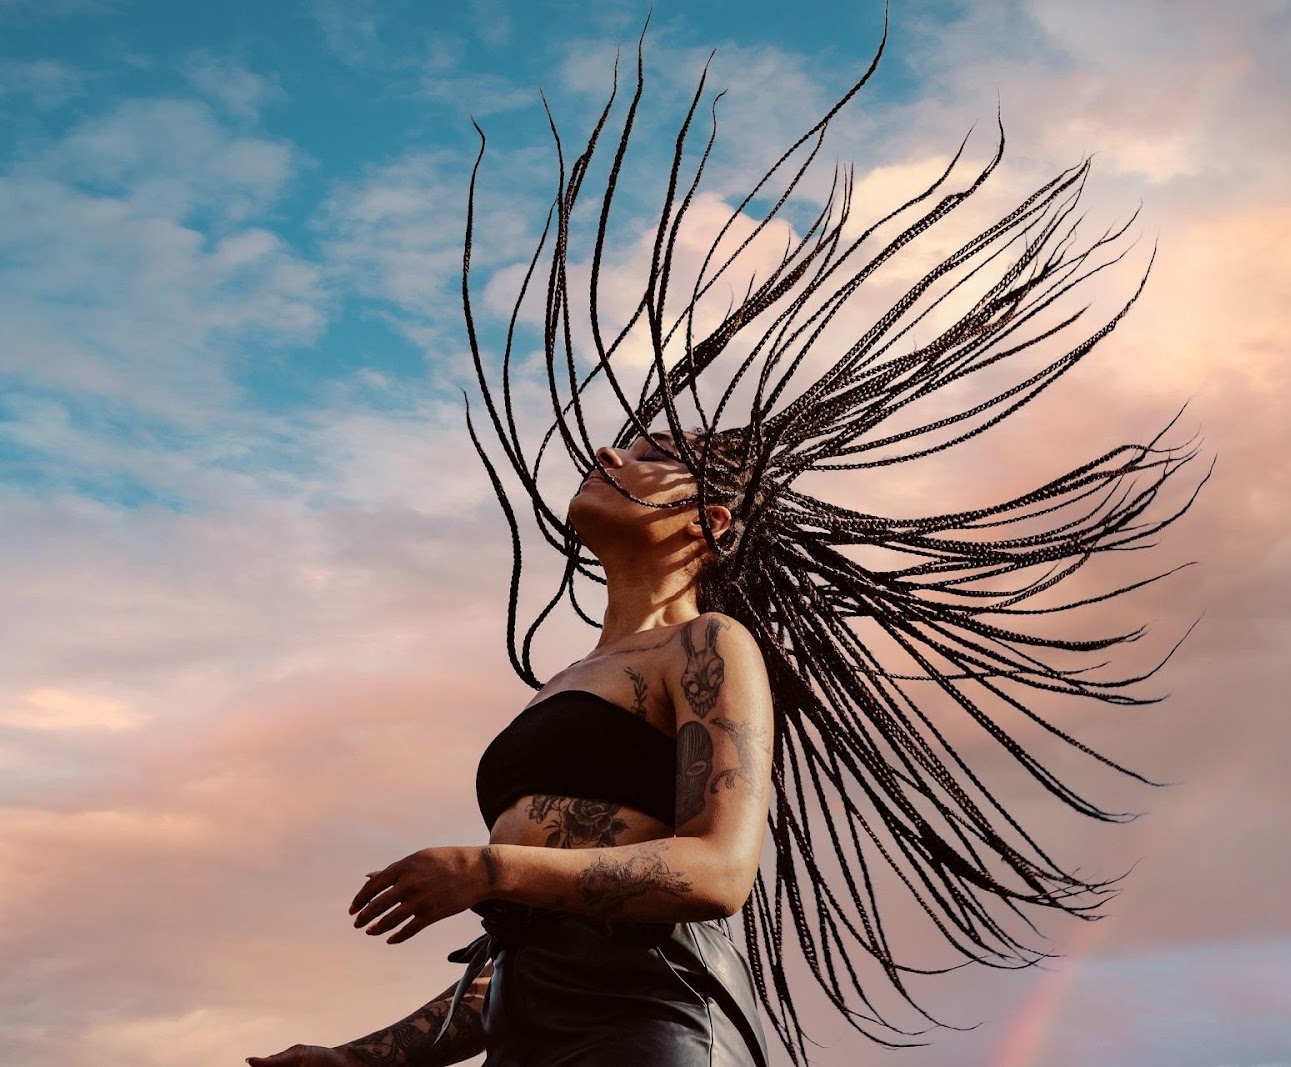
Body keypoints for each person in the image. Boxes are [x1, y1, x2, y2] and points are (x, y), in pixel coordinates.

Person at [247, 21, 1207, 1067]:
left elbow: (716, 868)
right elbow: (509, 968)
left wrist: (485, 869)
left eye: (656, 451)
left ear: (713, 523)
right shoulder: (567, 679)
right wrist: (352, 1059)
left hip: (639, 1035)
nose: (612, 446)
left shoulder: (706, 652)